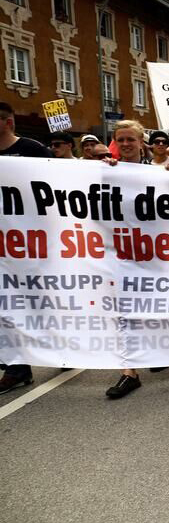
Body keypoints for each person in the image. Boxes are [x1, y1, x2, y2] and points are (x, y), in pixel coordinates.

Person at [0, 102, 53, 395]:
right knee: (5, 307)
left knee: (32, 302)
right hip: (2, 246)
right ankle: (15, 368)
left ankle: (61, 348)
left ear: (7, 122)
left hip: (29, 244)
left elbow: (61, 186)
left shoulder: (33, 149)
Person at [101, 120, 152, 398]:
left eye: (130, 139)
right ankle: (129, 372)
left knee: (156, 306)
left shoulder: (155, 172)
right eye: (120, 139)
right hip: (120, 253)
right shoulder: (107, 172)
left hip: (156, 253)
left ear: (140, 142)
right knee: (125, 311)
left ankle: (159, 353)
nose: (125, 144)